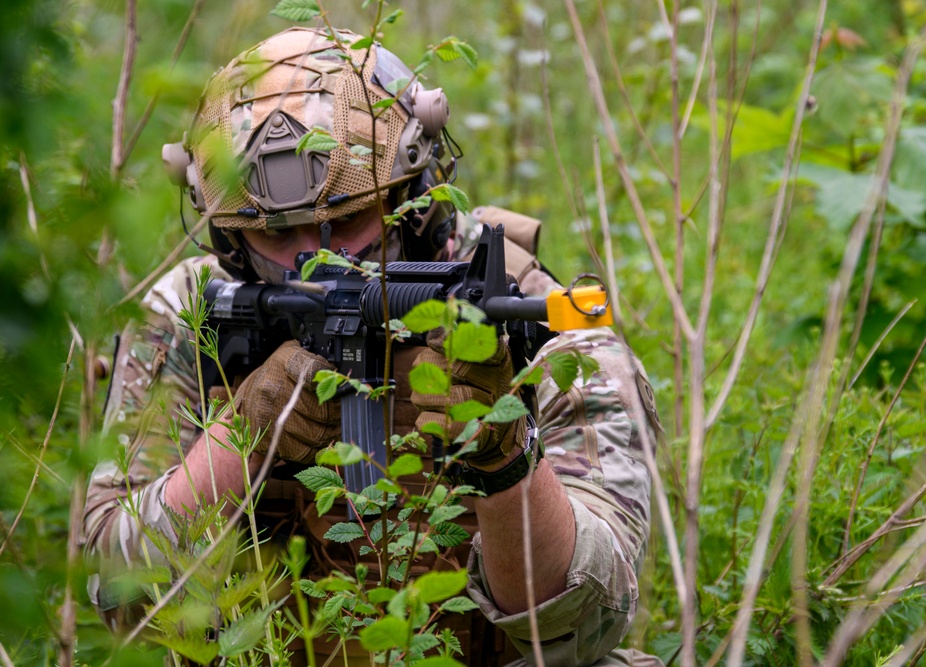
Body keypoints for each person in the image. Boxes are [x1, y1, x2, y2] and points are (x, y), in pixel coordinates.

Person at [83, 26, 664, 666]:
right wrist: (242, 438)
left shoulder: (528, 312)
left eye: (349, 221)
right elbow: (121, 599)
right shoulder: (191, 315)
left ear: (412, 194)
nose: (317, 260)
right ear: (229, 237)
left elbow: (587, 622)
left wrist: (503, 456)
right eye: (279, 234)